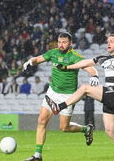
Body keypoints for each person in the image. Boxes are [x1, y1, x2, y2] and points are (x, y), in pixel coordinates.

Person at [46, 34, 114, 161]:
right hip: (110, 96)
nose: (108, 44)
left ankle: (59, 107)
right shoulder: (103, 58)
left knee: (85, 88)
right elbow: (84, 62)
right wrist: (67, 67)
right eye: (107, 41)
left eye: (111, 42)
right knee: (110, 131)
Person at [23, 32, 99, 161]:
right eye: (59, 42)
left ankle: (86, 129)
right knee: (41, 120)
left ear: (70, 43)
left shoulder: (75, 56)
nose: (61, 45)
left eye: (64, 42)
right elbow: (38, 59)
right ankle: (37, 155)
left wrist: (94, 76)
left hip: (68, 96)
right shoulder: (53, 53)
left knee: (64, 127)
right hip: (52, 92)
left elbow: (90, 68)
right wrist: (30, 61)